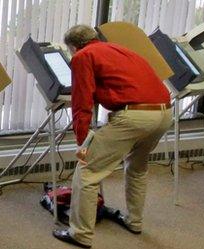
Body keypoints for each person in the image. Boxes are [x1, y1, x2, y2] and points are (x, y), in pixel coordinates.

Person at [51, 25, 173, 248]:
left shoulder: (82, 56)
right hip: (164, 113)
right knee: (137, 168)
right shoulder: (121, 50)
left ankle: (80, 234)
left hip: (134, 117)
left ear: (73, 47)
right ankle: (134, 221)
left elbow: (82, 102)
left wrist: (83, 142)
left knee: (87, 171)